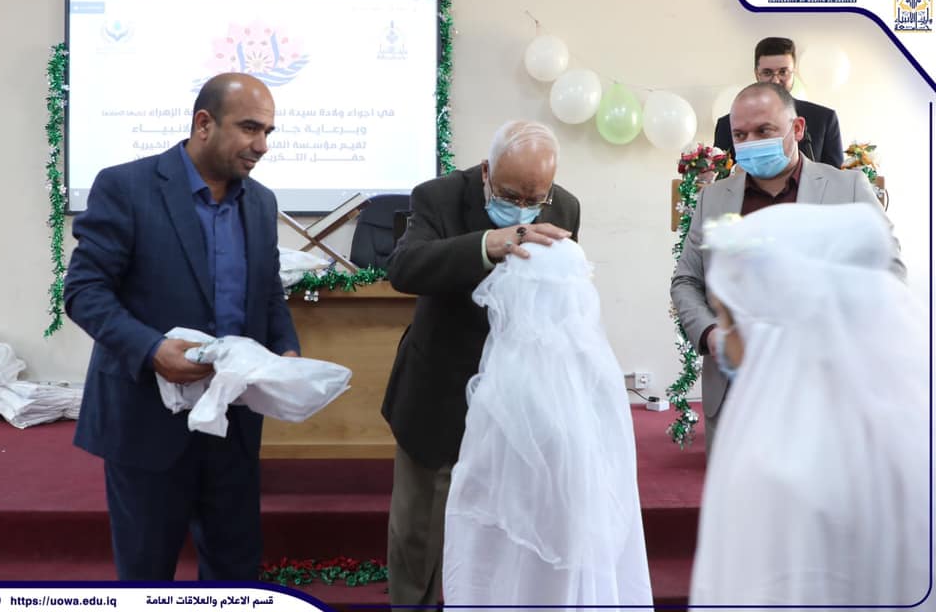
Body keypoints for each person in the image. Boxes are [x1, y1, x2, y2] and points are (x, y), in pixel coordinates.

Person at [64, 72, 301, 581]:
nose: (262, 145)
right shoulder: (126, 187)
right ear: (204, 124)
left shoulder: (260, 203)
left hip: (233, 422)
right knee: (147, 578)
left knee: (234, 576)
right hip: (147, 422)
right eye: (249, 128)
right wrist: (153, 350)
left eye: (268, 132)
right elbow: (85, 292)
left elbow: (267, 294)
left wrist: (285, 350)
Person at [689, 203, 929, 606]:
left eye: (729, 318)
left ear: (770, 323)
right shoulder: (905, 425)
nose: (725, 338)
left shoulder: (779, 463)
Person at [381, 120, 581, 606]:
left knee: (504, 529)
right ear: (487, 171)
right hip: (441, 391)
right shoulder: (438, 197)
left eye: (535, 197)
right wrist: (486, 245)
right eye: (510, 195)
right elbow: (404, 268)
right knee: (420, 534)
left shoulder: (566, 207)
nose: (524, 207)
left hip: (519, 397)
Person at [670, 81, 905, 455]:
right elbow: (687, 279)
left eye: (764, 131)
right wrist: (711, 333)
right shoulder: (713, 198)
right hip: (736, 391)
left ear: (796, 129)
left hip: (828, 389)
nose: (750, 142)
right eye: (740, 135)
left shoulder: (847, 188)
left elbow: (889, 269)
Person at [443, 239, 652, 607]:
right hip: (577, 524)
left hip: (519, 531)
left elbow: (478, 481)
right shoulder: (598, 367)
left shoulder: (508, 373)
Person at [714, 37, 844, 168]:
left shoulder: (824, 119)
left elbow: (835, 177)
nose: (776, 80)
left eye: (783, 72)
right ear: (757, 74)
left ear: (794, 73)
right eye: (767, 73)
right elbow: (721, 177)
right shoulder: (727, 126)